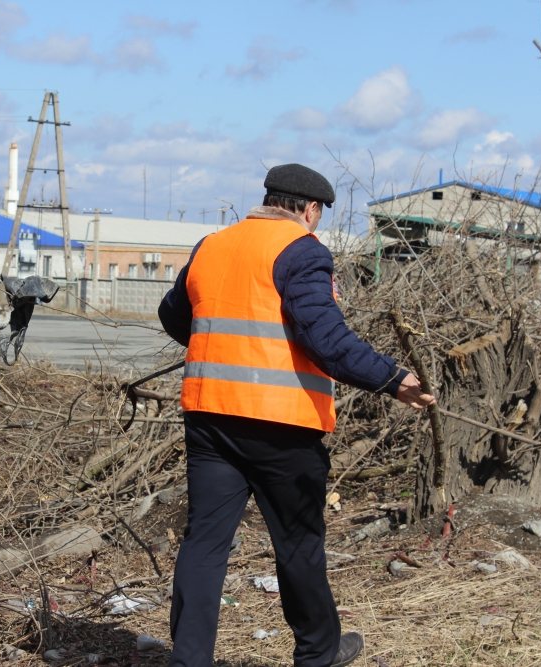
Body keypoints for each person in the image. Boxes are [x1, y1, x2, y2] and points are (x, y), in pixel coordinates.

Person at [158, 163, 436, 667]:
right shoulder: (302, 251)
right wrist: (393, 378)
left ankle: (189, 659)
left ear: (269, 199)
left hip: (210, 419)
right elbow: (325, 339)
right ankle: (318, 653)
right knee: (298, 544)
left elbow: (174, 315)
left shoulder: (211, 246)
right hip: (281, 426)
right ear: (309, 209)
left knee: (205, 543)